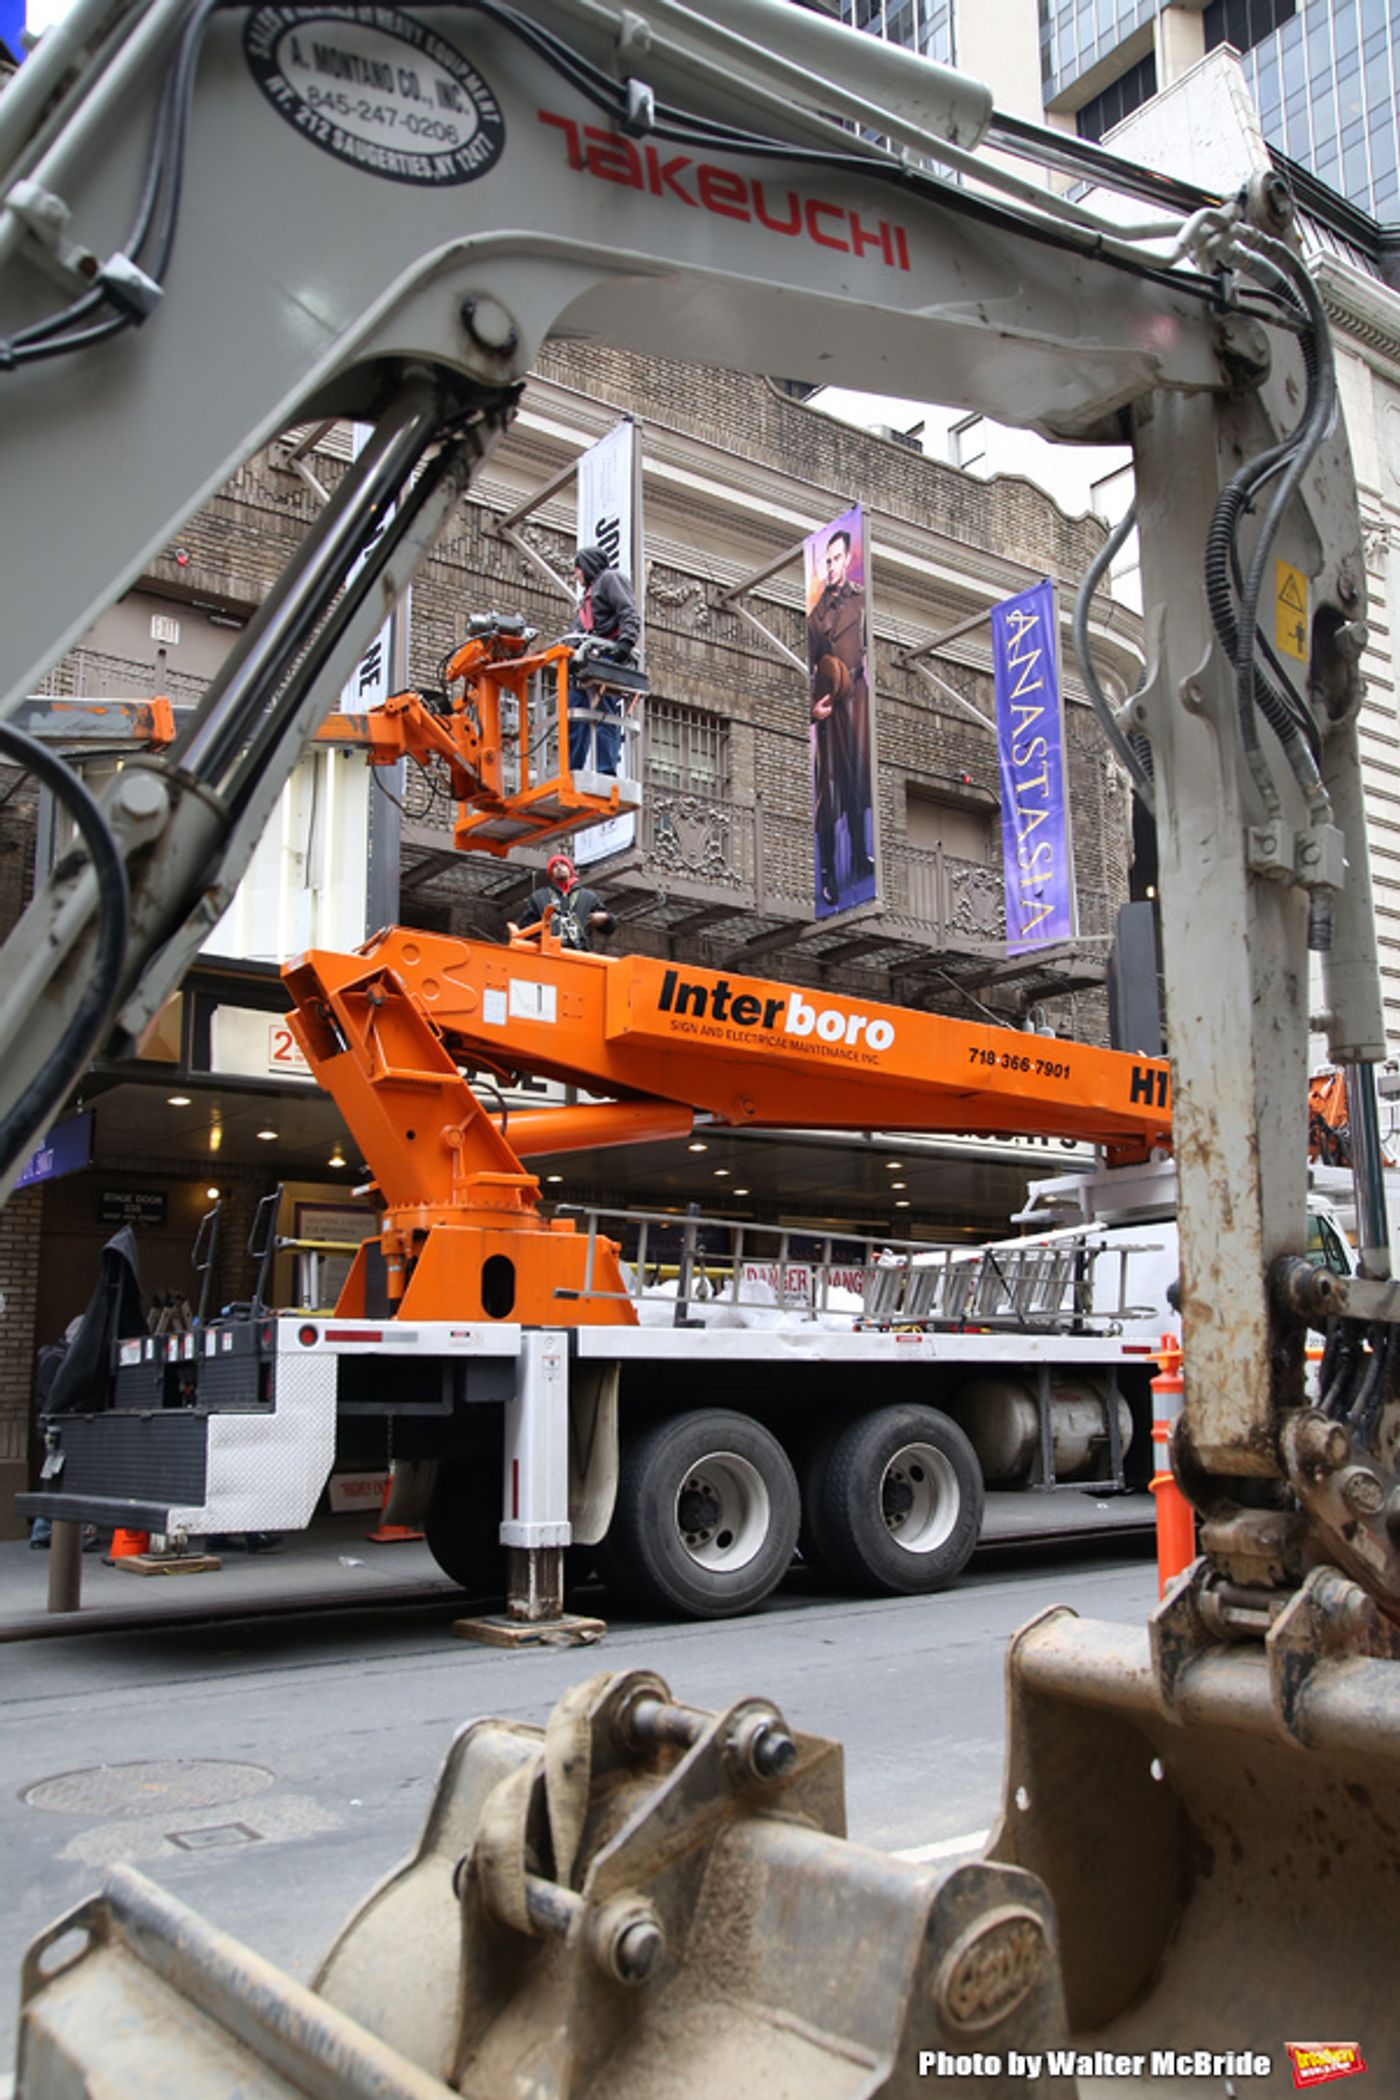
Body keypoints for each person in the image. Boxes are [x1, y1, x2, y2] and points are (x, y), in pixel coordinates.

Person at [807, 526, 875, 905]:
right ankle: (829, 872)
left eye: (836, 559)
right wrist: (812, 711)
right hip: (829, 706)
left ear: (847, 559)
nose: (831, 566)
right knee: (826, 795)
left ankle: (863, 858)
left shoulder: (861, 602)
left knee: (855, 783)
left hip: (858, 702)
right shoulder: (815, 617)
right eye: (826, 560)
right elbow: (807, 669)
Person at [569, 545, 641, 775]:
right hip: (589, 661)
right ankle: (572, 767)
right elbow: (577, 634)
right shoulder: (584, 602)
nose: (576, 575)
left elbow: (628, 611)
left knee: (606, 711)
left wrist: (626, 642)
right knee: (574, 712)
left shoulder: (610, 579)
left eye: (578, 569)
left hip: (608, 656)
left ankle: (605, 768)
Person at [517, 853, 615, 952]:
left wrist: (606, 918)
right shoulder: (539, 897)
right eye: (555, 866)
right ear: (551, 874)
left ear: (570, 869)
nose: (559, 868)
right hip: (548, 952)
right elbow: (526, 928)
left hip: (580, 954)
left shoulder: (588, 897)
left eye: (563, 864)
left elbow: (611, 927)